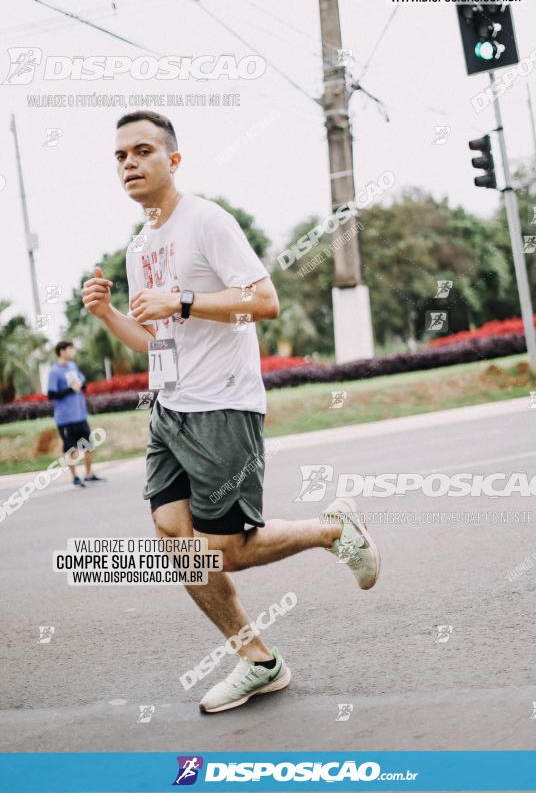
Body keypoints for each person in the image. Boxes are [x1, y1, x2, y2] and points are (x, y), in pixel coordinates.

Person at [81, 110, 380, 713]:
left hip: (222, 406)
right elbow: (160, 340)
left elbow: (264, 301)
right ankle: (258, 660)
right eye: (120, 156)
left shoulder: (207, 222)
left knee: (224, 550)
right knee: (175, 542)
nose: (130, 164)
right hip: (171, 408)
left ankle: (332, 529)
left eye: (143, 151)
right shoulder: (141, 246)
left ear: (173, 159)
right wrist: (110, 318)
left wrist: (185, 299)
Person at [47, 341, 105, 486]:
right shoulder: (54, 371)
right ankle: (74, 477)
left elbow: (83, 384)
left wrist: (80, 385)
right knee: (71, 449)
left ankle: (89, 474)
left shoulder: (73, 366)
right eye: (70, 349)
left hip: (80, 415)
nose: (73, 351)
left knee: (88, 446)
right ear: (62, 351)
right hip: (65, 418)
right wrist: (70, 389)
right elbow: (51, 394)